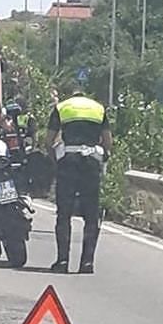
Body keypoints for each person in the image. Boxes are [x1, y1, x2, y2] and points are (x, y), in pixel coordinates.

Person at [45, 90, 112, 274]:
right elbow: (107, 142)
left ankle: (62, 261)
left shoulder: (62, 107)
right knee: (91, 215)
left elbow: (48, 141)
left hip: (68, 162)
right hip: (91, 164)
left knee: (63, 214)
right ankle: (87, 263)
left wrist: (55, 162)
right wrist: (102, 159)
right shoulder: (98, 109)